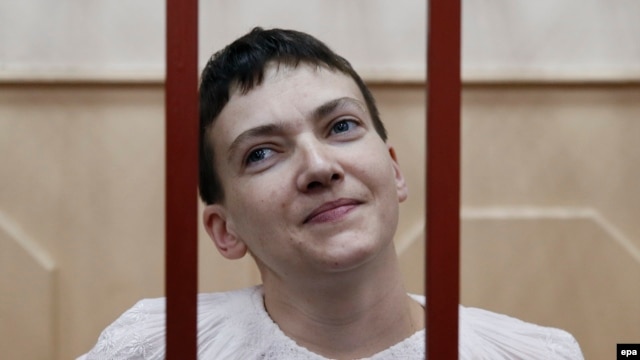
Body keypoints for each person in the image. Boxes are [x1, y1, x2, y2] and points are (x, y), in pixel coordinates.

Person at [79, 27, 583, 359]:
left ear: (393, 170)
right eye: (261, 153)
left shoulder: (535, 354)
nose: (319, 167)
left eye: (341, 126)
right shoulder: (154, 346)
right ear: (224, 229)